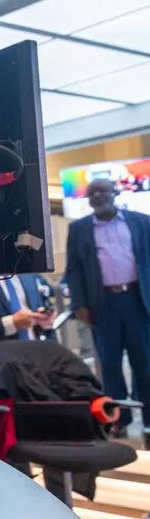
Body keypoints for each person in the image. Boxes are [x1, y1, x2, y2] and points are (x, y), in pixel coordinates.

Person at [64, 178, 150, 444]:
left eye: (102, 191)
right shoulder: (79, 229)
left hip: (138, 301)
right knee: (110, 367)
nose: (97, 196)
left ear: (115, 193)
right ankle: (119, 421)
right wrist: (79, 305)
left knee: (145, 365)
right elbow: (74, 270)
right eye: (92, 194)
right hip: (103, 306)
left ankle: (149, 420)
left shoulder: (141, 222)